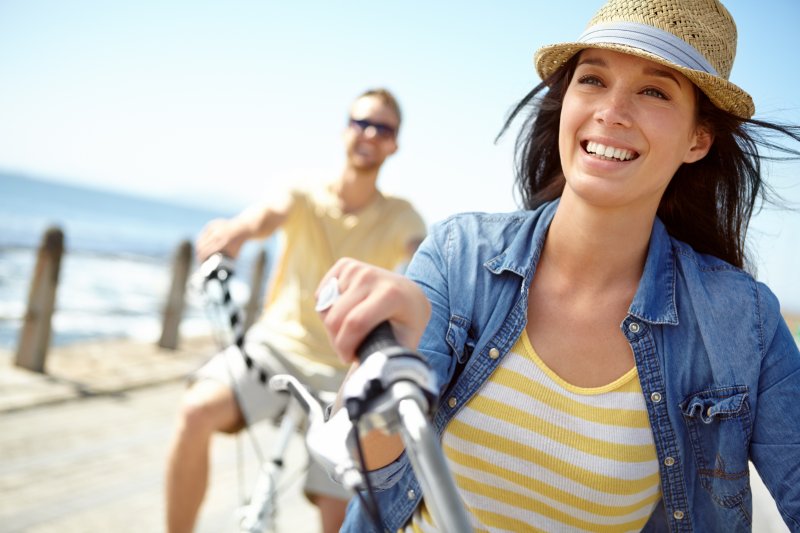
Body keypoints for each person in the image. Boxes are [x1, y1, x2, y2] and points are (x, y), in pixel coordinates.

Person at [317, 1, 800, 531]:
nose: (611, 111)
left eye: (654, 91)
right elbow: (369, 470)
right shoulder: (460, 255)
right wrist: (392, 359)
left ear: (697, 139)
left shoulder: (743, 324)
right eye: (592, 79)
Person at [164, 88, 427, 533]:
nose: (368, 134)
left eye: (382, 128)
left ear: (394, 144)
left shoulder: (401, 216)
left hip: (344, 371)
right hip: (274, 348)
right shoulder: (304, 192)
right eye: (361, 122)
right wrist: (236, 232)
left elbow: (421, 258)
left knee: (336, 512)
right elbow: (265, 216)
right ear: (345, 128)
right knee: (195, 411)